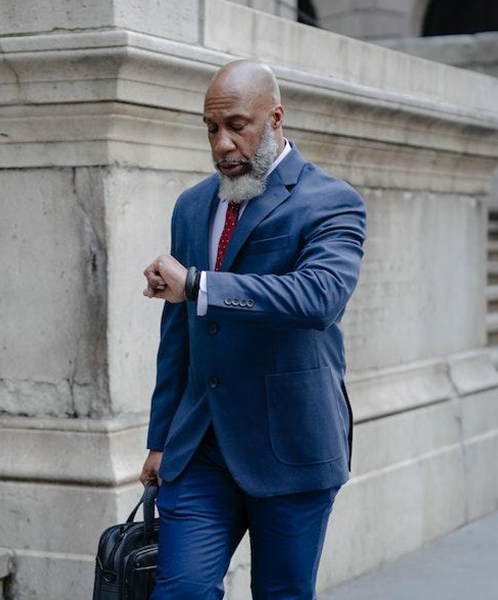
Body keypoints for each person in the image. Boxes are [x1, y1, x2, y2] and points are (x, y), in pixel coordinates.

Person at [140, 59, 367, 599]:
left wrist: (199, 283)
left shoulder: (332, 202)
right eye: (211, 128)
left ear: (276, 118)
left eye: (236, 126)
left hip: (292, 446)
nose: (221, 144)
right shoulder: (192, 206)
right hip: (201, 446)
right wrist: (159, 440)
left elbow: (319, 297)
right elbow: (178, 336)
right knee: (181, 592)